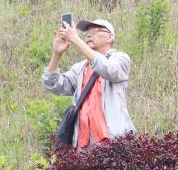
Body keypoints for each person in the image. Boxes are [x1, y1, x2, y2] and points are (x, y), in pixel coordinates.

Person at [42, 18, 135, 147]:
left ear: (109, 37)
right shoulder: (81, 68)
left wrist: (75, 40)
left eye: (95, 31)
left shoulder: (120, 59)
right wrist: (57, 54)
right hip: (84, 147)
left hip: (114, 141)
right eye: (86, 33)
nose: (89, 35)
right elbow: (54, 85)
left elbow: (108, 69)